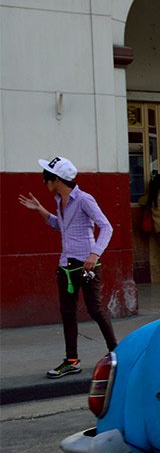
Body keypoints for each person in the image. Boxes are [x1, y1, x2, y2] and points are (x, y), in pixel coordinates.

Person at [18, 156, 119, 378]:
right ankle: (71, 361)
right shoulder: (58, 201)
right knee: (68, 313)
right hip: (66, 266)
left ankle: (118, 353)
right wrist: (40, 209)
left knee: (96, 310)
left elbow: (106, 227)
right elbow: (59, 226)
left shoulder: (84, 199)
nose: (45, 182)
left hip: (87, 265)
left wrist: (95, 253)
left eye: (47, 178)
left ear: (56, 179)